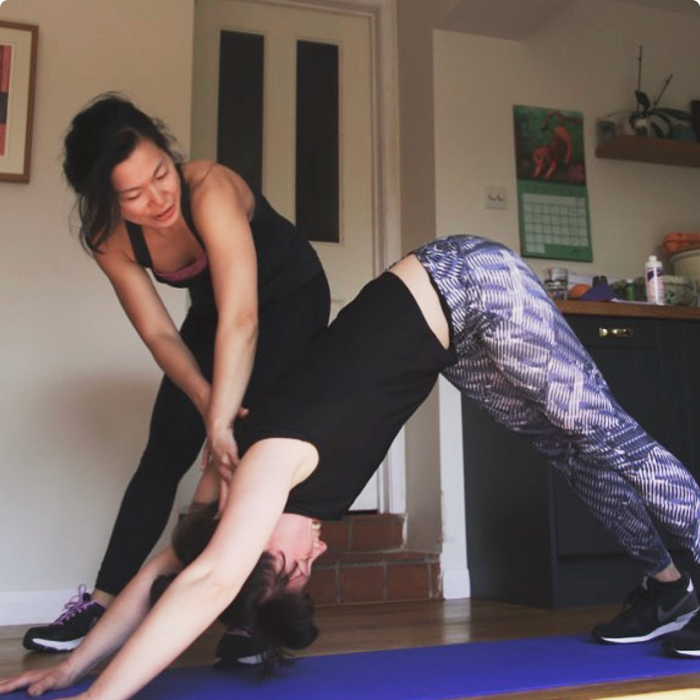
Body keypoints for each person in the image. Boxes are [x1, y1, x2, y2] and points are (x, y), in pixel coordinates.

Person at [6, 236, 700, 700]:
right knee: (564, 446)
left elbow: (211, 580)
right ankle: (668, 584)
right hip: (451, 339)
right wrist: (74, 664)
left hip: (467, 280)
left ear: (259, 553)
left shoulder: (269, 468)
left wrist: (99, 698)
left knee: (606, 434)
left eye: (299, 570)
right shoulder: (224, 502)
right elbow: (167, 570)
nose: (320, 553)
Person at [21, 93, 331, 656]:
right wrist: (206, 401)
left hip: (288, 299)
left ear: (169, 153)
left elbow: (245, 317)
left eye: (161, 173)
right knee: (165, 448)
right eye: (133, 194)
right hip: (214, 314)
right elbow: (162, 334)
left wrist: (222, 422)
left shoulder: (210, 188)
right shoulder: (109, 239)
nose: (158, 198)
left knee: (254, 444)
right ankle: (102, 605)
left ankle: (249, 615)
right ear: (104, 200)